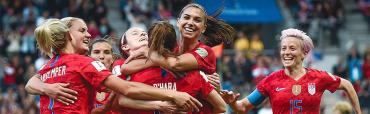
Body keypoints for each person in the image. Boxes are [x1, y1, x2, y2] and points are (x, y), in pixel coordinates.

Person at [24, 18, 202, 114]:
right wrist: (173, 94)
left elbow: (31, 83)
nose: (88, 34)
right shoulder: (83, 63)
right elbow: (128, 89)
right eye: (82, 30)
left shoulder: (48, 66)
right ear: (68, 35)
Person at [221, 28, 362, 114]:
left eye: (292, 48)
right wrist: (232, 102)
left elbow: (348, 85)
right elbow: (243, 107)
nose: (286, 53)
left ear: (304, 53)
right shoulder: (271, 80)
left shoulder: (318, 77)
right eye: (283, 48)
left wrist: (359, 113)